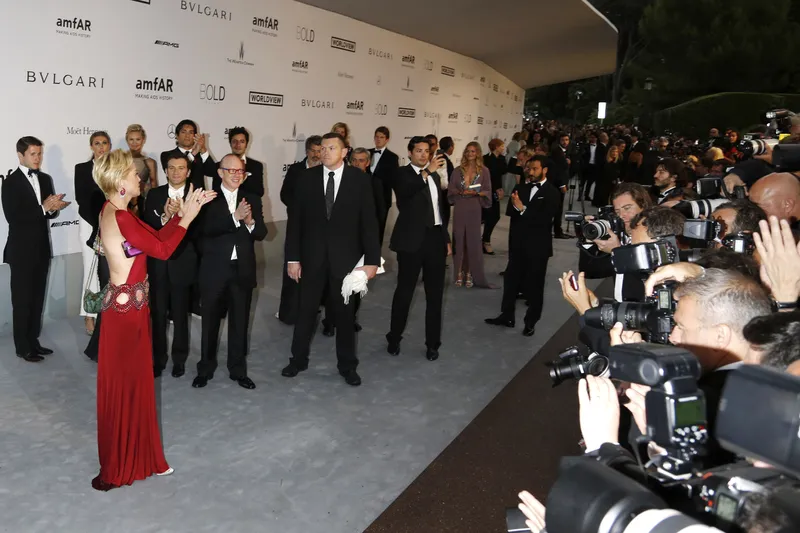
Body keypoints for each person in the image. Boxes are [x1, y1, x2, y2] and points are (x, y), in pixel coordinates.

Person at [91, 148, 215, 491]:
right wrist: (188, 216)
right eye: (133, 174)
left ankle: (143, 457)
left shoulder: (115, 211)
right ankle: (122, 464)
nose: (139, 178)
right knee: (128, 387)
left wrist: (181, 215)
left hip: (129, 311)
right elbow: (162, 250)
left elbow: (157, 239)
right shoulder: (121, 217)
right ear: (119, 182)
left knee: (136, 387)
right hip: (126, 316)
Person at [282, 133, 380, 386]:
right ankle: (297, 360)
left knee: (345, 316)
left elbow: (369, 222)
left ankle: (347, 366)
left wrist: (371, 261)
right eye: (322, 148)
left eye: (331, 147)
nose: (324, 152)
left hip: (346, 262)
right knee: (305, 312)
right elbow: (295, 223)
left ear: (345, 151)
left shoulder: (359, 180)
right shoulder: (305, 178)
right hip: (311, 259)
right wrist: (293, 258)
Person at [192, 154, 268, 390]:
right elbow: (203, 231)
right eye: (231, 170)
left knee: (240, 323)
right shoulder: (207, 199)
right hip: (214, 271)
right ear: (220, 172)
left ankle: (238, 370)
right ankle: (205, 368)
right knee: (210, 324)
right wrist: (234, 218)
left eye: (240, 171)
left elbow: (262, 233)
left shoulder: (252, 198)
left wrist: (250, 221)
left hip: (242, 271)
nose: (236, 175)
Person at [3, 136, 70, 362]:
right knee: (22, 301)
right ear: (20, 155)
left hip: (41, 248)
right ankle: (22, 347)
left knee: (37, 298)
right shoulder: (10, 183)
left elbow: (48, 214)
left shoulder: (45, 178)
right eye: (33, 154)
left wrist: (53, 209)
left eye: (40, 154)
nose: (38, 158)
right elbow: (13, 218)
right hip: (20, 252)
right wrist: (43, 208)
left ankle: (34, 341)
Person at [386, 137, 449, 361]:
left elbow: (440, 209)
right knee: (405, 292)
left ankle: (433, 343)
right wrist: (427, 172)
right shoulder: (402, 174)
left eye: (427, 151)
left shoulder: (434, 175)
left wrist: (445, 238)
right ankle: (394, 337)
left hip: (435, 239)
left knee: (435, 295)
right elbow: (406, 192)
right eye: (419, 151)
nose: (424, 155)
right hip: (411, 241)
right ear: (410, 153)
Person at [485, 156, 560, 336]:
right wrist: (521, 210)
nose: (530, 172)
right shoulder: (521, 188)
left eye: (534, 168)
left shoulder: (552, 192)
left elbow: (544, 220)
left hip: (538, 248)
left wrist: (524, 209)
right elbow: (512, 212)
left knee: (535, 287)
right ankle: (507, 316)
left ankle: (530, 322)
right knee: (510, 283)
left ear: (545, 170)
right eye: (528, 169)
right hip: (518, 245)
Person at [142, 153, 200, 379]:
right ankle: (158, 359)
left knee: (180, 314)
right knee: (156, 315)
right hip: (158, 265)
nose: (176, 172)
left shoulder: (196, 196)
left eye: (181, 168)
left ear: (188, 171)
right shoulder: (154, 194)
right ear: (165, 171)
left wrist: (183, 217)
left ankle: (179, 359)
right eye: (172, 168)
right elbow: (148, 229)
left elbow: (199, 232)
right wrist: (166, 218)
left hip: (182, 263)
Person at [277, 135, 323, 325]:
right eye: (313, 150)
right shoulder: (296, 170)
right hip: (297, 226)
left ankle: (311, 309)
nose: (316, 154)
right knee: (292, 269)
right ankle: (288, 312)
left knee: (314, 270)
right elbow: (284, 194)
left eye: (319, 150)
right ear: (306, 151)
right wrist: (299, 208)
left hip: (319, 229)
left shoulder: (326, 171)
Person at [76, 131, 111, 336]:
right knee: (90, 267)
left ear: (109, 145)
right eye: (97, 143)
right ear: (91, 146)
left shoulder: (116, 167)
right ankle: (89, 314)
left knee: (108, 270)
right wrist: (98, 223)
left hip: (112, 223)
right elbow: (82, 199)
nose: (101, 147)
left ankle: (107, 313)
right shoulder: (81, 169)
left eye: (104, 143)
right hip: (89, 223)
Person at [448, 141, 493, 288]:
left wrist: (477, 192)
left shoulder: (484, 171)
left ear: (478, 153)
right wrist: (460, 192)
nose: (470, 154)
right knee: (459, 240)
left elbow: (487, 190)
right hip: (460, 206)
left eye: (473, 151)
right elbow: (451, 190)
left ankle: (470, 273)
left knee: (472, 241)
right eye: (467, 151)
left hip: (474, 207)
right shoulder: (457, 170)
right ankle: (458, 273)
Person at [159, 119, 213, 189]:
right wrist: (193, 153)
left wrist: (203, 149)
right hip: (177, 197)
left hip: (199, 197)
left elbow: (211, 172)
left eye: (191, 132)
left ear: (195, 136)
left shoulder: (201, 155)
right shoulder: (167, 155)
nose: (187, 136)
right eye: (183, 132)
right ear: (177, 135)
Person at [369, 126, 399, 245]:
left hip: (382, 198)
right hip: (366, 197)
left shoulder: (392, 157)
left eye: (381, 137)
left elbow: (393, 179)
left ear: (387, 139)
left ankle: (376, 258)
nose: (378, 139)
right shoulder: (367, 152)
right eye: (376, 137)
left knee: (379, 229)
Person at [219, 126, 264, 197]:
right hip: (225, 207)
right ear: (230, 143)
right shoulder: (220, 166)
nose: (238, 145)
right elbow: (217, 191)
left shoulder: (256, 166)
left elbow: (259, 192)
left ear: (246, 144)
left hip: (248, 206)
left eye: (242, 141)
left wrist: (244, 177)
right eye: (234, 141)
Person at [481, 138, 507, 254]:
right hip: (486, 191)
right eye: (501, 146)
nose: (503, 148)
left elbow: (503, 172)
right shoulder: (485, 159)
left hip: (496, 191)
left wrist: (500, 189)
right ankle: (484, 241)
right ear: (496, 147)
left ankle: (485, 239)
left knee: (495, 216)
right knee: (486, 216)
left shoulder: (502, 159)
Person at [548, 133, 572, 238]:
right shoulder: (556, 152)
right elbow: (558, 170)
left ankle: (557, 229)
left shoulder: (567, 152)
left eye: (567, 140)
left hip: (561, 183)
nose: (565, 142)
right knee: (557, 208)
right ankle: (556, 231)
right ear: (559, 141)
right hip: (557, 184)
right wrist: (562, 184)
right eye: (563, 140)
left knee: (559, 208)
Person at [125, 124, 158, 199]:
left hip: (143, 202)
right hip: (123, 201)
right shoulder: (119, 160)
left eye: (138, 139)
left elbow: (154, 188)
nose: (134, 143)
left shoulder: (150, 162)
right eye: (131, 139)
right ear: (127, 140)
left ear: (143, 140)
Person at [593, 143, 621, 208]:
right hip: (603, 180)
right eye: (613, 151)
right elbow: (603, 171)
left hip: (612, 181)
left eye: (616, 152)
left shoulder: (617, 161)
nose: (614, 153)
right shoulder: (605, 160)